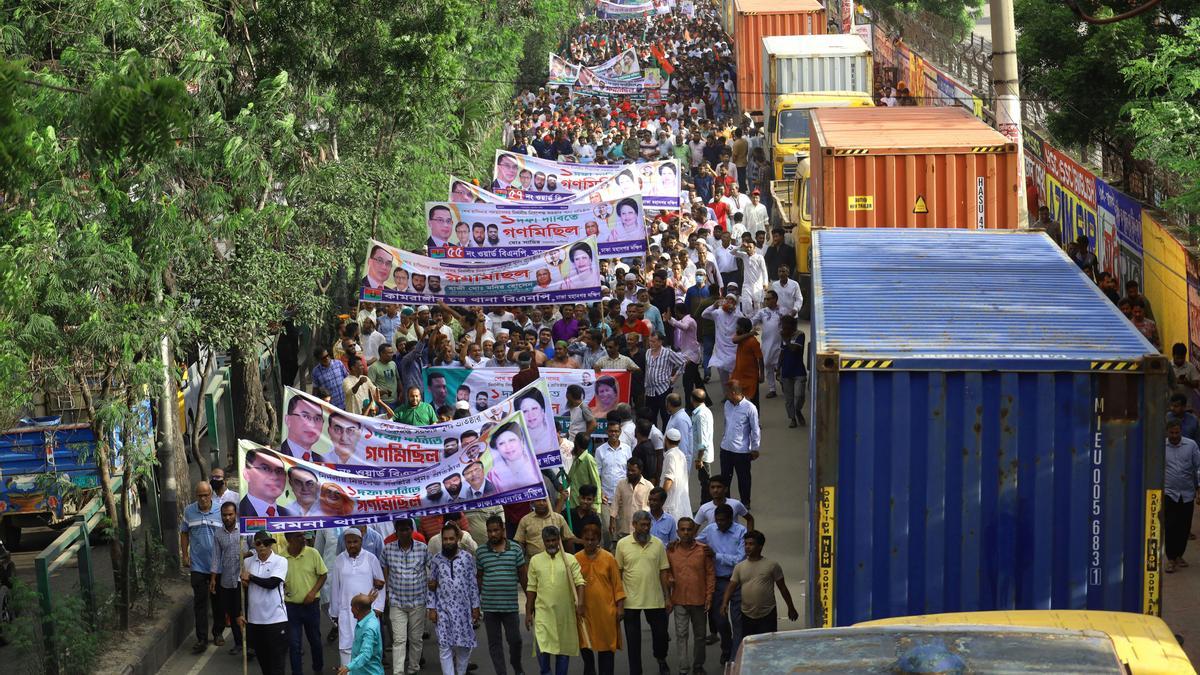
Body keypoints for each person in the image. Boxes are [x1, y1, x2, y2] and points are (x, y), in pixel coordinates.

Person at [615, 511, 671, 675]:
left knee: (661, 636)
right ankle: (635, 671)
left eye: (648, 525)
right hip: (630, 600)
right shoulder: (622, 544)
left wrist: (667, 597)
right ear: (634, 525)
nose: (646, 528)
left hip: (655, 598)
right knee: (633, 642)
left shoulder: (658, 544)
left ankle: (661, 658)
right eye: (642, 525)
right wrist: (618, 601)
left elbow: (663, 572)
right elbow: (618, 573)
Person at [526, 526, 586, 675]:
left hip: (565, 615)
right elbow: (531, 588)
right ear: (543, 541)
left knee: (563, 652)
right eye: (548, 541)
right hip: (543, 615)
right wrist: (528, 612)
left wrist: (580, 603)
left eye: (554, 540)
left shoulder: (569, 559)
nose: (551, 544)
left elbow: (580, 582)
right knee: (542, 649)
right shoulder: (535, 560)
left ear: (559, 540)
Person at [721, 530, 799, 643]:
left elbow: (782, 588)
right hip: (746, 614)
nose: (747, 547)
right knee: (750, 645)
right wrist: (724, 603)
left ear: (760, 546)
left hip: (767, 613)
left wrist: (791, 607)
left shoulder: (772, 565)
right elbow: (731, 586)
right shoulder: (739, 567)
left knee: (768, 644)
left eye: (751, 544)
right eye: (746, 544)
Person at [476, 515, 528, 675]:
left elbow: (523, 576)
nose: (492, 534)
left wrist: (530, 601)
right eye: (490, 531)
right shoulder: (481, 552)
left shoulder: (515, 549)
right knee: (494, 643)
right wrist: (476, 603)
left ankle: (516, 665)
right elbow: (479, 577)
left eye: (496, 530)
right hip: (490, 607)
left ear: (503, 530)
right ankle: (501, 672)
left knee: (515, 641)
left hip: (510, 606)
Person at [427, 523, 481, 675]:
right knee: (445, 646)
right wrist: (431, 609)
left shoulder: (467, 558)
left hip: (463, 610)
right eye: (445, 539)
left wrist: (476, 607)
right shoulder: (436, 559)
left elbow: (472, 584)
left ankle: (461, 672)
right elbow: (431, 586)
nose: (448, 542)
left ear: (457, 538)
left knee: (464, 646)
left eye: (451, 538)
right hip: (442, 610)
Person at [330, 529, 387, 668]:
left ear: (361, 541)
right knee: (346, 647)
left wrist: (378, 608)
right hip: (347, 612)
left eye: (355, 541)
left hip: (368, 613)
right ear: (345, 543)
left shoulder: (371, 558)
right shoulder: (339, 560)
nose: (352, 545)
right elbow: (335, 589)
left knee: (367, 649)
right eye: (349, 542)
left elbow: (381, 584)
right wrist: (335, 613)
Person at [697, 505, 746, 665]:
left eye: (723, 520)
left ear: (731, 519)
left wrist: (716, 556)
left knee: (738, 620)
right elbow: (696, 543)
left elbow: (739, 559)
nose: (720, 523)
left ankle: (734, 657)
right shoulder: (710, 529)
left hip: (737, 580)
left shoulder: (741, 532)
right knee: (721, 620)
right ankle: (727, 647)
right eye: (717, 520)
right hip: (719, 581)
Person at [666, 518, 714, 675]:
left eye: (689, 529)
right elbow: (666, 572)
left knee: (700, 636)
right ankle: (683, 668)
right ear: (678, 532)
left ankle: (698, 666)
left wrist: (709, 597)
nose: (686, 532)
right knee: (681, 635)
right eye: (682, 529)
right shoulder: (671, 551)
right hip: (679, 600)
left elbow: (710, 574)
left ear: (694, 531)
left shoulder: (703, 550)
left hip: (699, 600)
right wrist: (670, 580)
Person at [575, 523, 624, 675]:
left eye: (593, 539)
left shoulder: (608, 558)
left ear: (599, 540)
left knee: (606, 651)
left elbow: (617, 585)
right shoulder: (575, 559)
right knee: (586, 648)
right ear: (582, 539)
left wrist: (620, 608)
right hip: (584, 613)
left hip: (605, 613)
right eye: (587, 539)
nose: (589, 542)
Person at [181, 480, 223, 653]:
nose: (203, 498)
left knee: (218, 601)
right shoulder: (189, 511)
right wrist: (185, 554)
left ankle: (218, 632)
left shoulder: (221, 510)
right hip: (197, 565)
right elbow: (184, 533)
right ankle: (202, 639)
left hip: (218, 566)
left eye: (206, 495)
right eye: (200, 495)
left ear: (211, 494)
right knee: (200, 603)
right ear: (196, 496)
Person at [382, 518, 428, 675]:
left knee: (416, 639)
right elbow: (384, 568)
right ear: (396, 532)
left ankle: (413, 669)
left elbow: (429, 570)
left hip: (418, 602)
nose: (404, 532)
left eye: (407, 529)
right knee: (399, 640)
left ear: (412, 530)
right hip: (397, 602)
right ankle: (398, 672)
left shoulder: (423, 548)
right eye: (400, 529)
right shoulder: (387, 549)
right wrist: (387, 591)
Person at [241, 530, 290, 675]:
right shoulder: (247, 562)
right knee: (264, 664)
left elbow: (272, 583)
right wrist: (241, 613)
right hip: (255, 621)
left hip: (276, 620)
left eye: (266, 543)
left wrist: (250, 577)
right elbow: (243, 591)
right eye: (258, 543)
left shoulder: (280, 561)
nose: (262, 546)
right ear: (254, 545)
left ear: (271, 545)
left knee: (277, 665)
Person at [282, 531, 328, 675]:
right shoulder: (281, 558)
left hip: (311, 606)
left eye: (303, 535)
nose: (304, 538)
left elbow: (323, 574)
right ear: (289, 539)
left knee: (315, 640)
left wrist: (313, 592)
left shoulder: (313, 553)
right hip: (291, 607)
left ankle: (318, 669)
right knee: (294, 644)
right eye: (299, 536)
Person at [209, 502, 245, 656]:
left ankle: (252, 645)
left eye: (230, 514)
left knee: (247, 613)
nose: (227, 517)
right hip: (227, 581)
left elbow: (254, 549)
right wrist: (213, 579)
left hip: (243, 579)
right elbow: (216, 557)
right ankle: (238, 643)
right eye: (224, 515)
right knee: (233, 612)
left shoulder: (243, 530)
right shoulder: (218, 534)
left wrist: (245, 555)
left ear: (235, 514)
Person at [1165, 419, 1200, 573]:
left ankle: (1179, 555)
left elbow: (1198, 467)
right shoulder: (1162, 447)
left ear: (1181, 431)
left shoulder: (1191, 445)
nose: (1174, 435)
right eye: (1171, 433)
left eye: (1177, 432)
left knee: (1184, 527)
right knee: (1170, 526)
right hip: (1169, 493)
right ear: (1167, 432)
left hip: (1187, 493)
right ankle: (1171, 558)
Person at [720, 382, 761, 507]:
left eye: (726, 392)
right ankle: (725, 502)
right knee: (725, 479)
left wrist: (755, 448)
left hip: (741, 451)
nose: (725, 394)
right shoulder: (727, 405)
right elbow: (726, 424)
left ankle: (745, 502)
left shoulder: (750, 408)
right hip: (726, 448)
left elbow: (755, 429)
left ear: (733, 393)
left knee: (744, 479)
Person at [486, 420, 542, 492]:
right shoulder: (493, 475)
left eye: (512, 440)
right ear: (497, 449)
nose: (508, 447)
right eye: (501, 443)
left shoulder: (536, 463)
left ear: (521, 442)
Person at [644, 332, 686, 427]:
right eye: (650, 341)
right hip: (650, 390)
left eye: (653, 341)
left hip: (663, 388)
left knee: (665, 415)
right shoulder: (648, 352)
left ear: (660, 342)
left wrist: (675, 377)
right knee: (651, 416)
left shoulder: (667, 353)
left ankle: (665, 436)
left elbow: (682, 362)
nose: (651, 343)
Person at [702, 293, 742, 385]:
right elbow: (704, 314)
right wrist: (714, 305)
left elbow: (745, 324)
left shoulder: (738, 315)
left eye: (731, 299)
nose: (728, 301)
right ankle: (727, 396)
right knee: (723, 377)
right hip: (721, 350)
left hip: (733, 349)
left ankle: (735, 396)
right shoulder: (718, 313)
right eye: (727, 299)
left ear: (735, 303)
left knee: (734, 376)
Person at [241, 449, 295, 517]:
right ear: (247, 474)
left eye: (279, 471)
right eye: (265, 469)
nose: (274, 477)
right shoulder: (237, 510)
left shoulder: (290, 514)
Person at [341, 594, 384, 675]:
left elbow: (366, 654)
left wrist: (348, 667)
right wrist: (368, 600)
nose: (351, 610)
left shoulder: (369, 629)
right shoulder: (369, 614)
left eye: (352, 607)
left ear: (357, 608)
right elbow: (366, 606)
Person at [612, 458, 653, 541]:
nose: (629, 473)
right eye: (628, 470)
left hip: (641, 530)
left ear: (640, 470)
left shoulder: (649, 486)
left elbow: (652, 508)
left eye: (633, 470)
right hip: (624, 528)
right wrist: (612, 521)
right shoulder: (621, 484)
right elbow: (615, 503)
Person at [752, 291, 783, 398]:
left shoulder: (782, 311)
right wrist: (750, 328)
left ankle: (784, 383)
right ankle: (772, 389)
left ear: (775, 299)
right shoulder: (762, 312)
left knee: (781, 366)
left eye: (768, 299)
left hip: (780, 344)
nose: (766, 301)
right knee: (768, 366)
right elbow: (752, 321)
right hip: (767, 344)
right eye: (765, 299)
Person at [779, 315, 807, 428]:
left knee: (799, 395)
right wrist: (778, 368)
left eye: (785, 326)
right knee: (789, 398)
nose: (783, 329)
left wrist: (786, 338)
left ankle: (798, 410)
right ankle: (792, 418)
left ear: (792, 326)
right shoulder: (784, 336)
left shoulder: (800, 334)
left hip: (798, 370)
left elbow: (794, 349)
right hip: (786, 370)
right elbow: (782, 352)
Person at [660, 429, 692, 520]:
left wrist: (660, 497)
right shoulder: (681, 454)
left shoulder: (670, 456)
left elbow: (669, 479)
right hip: (681, 500)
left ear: (666, 439)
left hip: (671, 501)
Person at [281, 396, 325, 461]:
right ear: (288, 420)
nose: (312, 425)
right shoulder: (278, 456)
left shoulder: (323, 461)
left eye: (317, 418)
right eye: (305, 416)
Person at [566, 431, 601, 510]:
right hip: (574, 504)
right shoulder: (576, 460)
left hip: (585, 505)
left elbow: (596, 482)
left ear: (576, 443)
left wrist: (596, 505)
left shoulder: (589, 459)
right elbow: (569, 479)